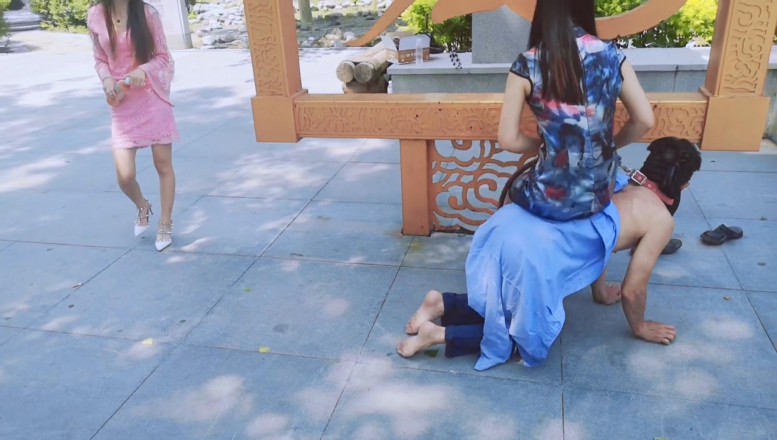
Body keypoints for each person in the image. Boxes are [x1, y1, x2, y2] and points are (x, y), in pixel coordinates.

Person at [397, 0, 688, 370]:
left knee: (519, 189)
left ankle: (455, 307)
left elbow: (508, 139)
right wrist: (607, 146)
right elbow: (644, 120)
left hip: (546, 201)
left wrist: (546, 147)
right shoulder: (612, 56)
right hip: (597, 197)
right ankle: (455, 318)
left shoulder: (527, 63)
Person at [87, 0, 178, 251]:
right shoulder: (95, 15)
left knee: (163, 164)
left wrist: (144, 70)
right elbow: (100, 59)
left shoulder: (148, 13)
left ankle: (165, 222)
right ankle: (142, 205)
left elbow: (163, 57)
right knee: (125, 176)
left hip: (151, 97)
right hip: (122, 99)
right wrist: (106, 79)